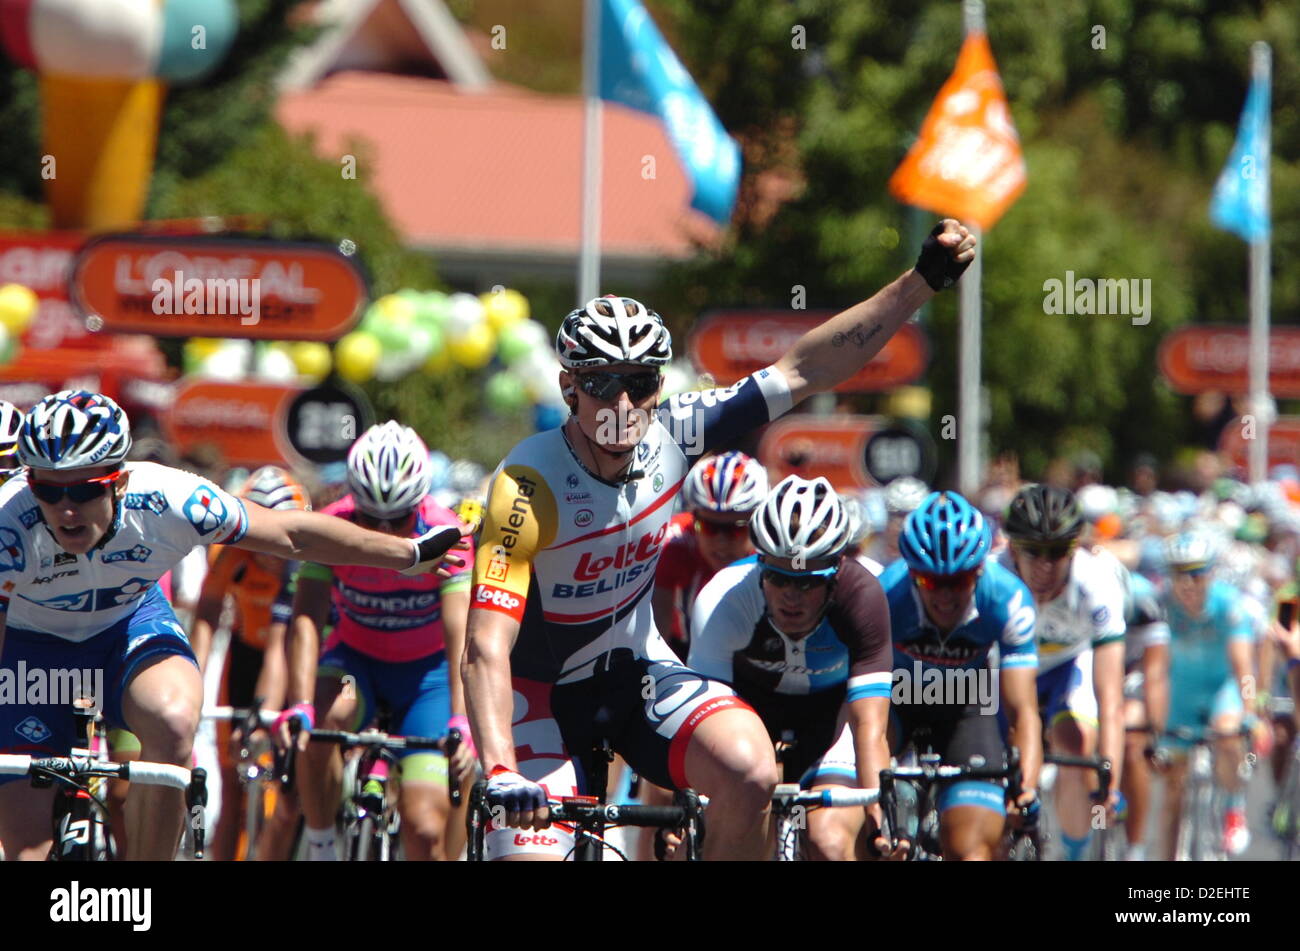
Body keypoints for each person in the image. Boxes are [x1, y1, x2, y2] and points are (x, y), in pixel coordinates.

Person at [464, 220, 977, 861]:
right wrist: (502, 769)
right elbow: (485, 643)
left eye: (641, 382)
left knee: (752, 771)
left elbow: (807, 367)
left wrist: (919, 284)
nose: (623, 403)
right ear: (569, 386)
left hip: (635, 675)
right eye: (601, 383)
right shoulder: (526, 481)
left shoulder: (675, 433)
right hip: (536, 692)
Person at [0, 391, 469, 861]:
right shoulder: (8, 521)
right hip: (32, 650)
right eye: (48, 489)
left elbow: (292, 533)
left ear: (119, 480)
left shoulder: (169, 497)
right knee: (27, 851)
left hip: (126, 629)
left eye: (84, 489)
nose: (65, 508)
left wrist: (406, 555)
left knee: (174, 720)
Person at [281, 422, 476, 861]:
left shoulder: (446, 532)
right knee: (326, 717)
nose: (385, 532)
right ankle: (321, 843)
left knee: (425, 831)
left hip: (429, 678)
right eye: (371, 519)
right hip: (355, 667)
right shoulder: (332, 524)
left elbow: (459, 633)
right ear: (354, 503)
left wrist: (463, 721)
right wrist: (300, 704)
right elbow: (306, 618)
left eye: (399, 519)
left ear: (420, 502)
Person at [689, 476, 894, 860]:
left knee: (828, 842)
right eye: (778, 577)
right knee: (734, 838)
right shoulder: (723, 598)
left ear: (835, 574)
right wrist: (689, 810)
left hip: (833, 716)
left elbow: (870, 726)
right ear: (760, 565)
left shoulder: (866, 597)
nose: (790, 595)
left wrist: (879, 820)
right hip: (748, 711)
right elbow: (704, 726)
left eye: (807, 582)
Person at [880, 490, 1041, 860]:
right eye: (932, 582)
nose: (947, 596)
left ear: (980, 570)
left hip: (968, 704)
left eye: (961, 580)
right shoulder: (886, 595)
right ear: (912, 573)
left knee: (970, 850)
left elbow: (1022, 711)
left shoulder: (1007, 599)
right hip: (897, 703)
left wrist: (1026, 789)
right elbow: (863, 706)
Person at [998, 484, 1125, 861]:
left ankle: (1073, 852)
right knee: (993, 755)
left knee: (1075, 744)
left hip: (1068, 666)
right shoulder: (992, 578)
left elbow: (1111, 699)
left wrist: (1110, 777)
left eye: (1058, 552)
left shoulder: (1097, 583)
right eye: (1033, 551)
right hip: (1006, 670)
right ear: (1011, 548)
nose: (1045, 565)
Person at [191, 466, 310, 861]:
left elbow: (284, 645)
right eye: (264, 545)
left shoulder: (307, 556)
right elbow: (208, 607)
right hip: (244, 656)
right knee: (231, 785)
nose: (273, 558)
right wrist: (195, 676)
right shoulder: (231, 552)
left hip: (299, 661)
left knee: (289, 791)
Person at [1146, 530, 1262, 858]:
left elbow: (1244, 668)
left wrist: (1250, 713)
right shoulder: (1160, 604)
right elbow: (1152, 669)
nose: (1187, 584)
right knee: (1172, 791)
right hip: (1179, 695)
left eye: (1196, 574)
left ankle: (1233, 806)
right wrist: (1154, 724)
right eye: (1179, 574)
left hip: (1220, 691)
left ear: (1210, 573)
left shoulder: (1228, 604)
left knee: (1227, 734)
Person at [652, 451, 768, 661]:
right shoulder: (672, 543)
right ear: (693, 517)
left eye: (736, 528)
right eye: (709, 527)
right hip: (683, 654)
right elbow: (658, 634)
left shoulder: (772, 549)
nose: (721, 542)